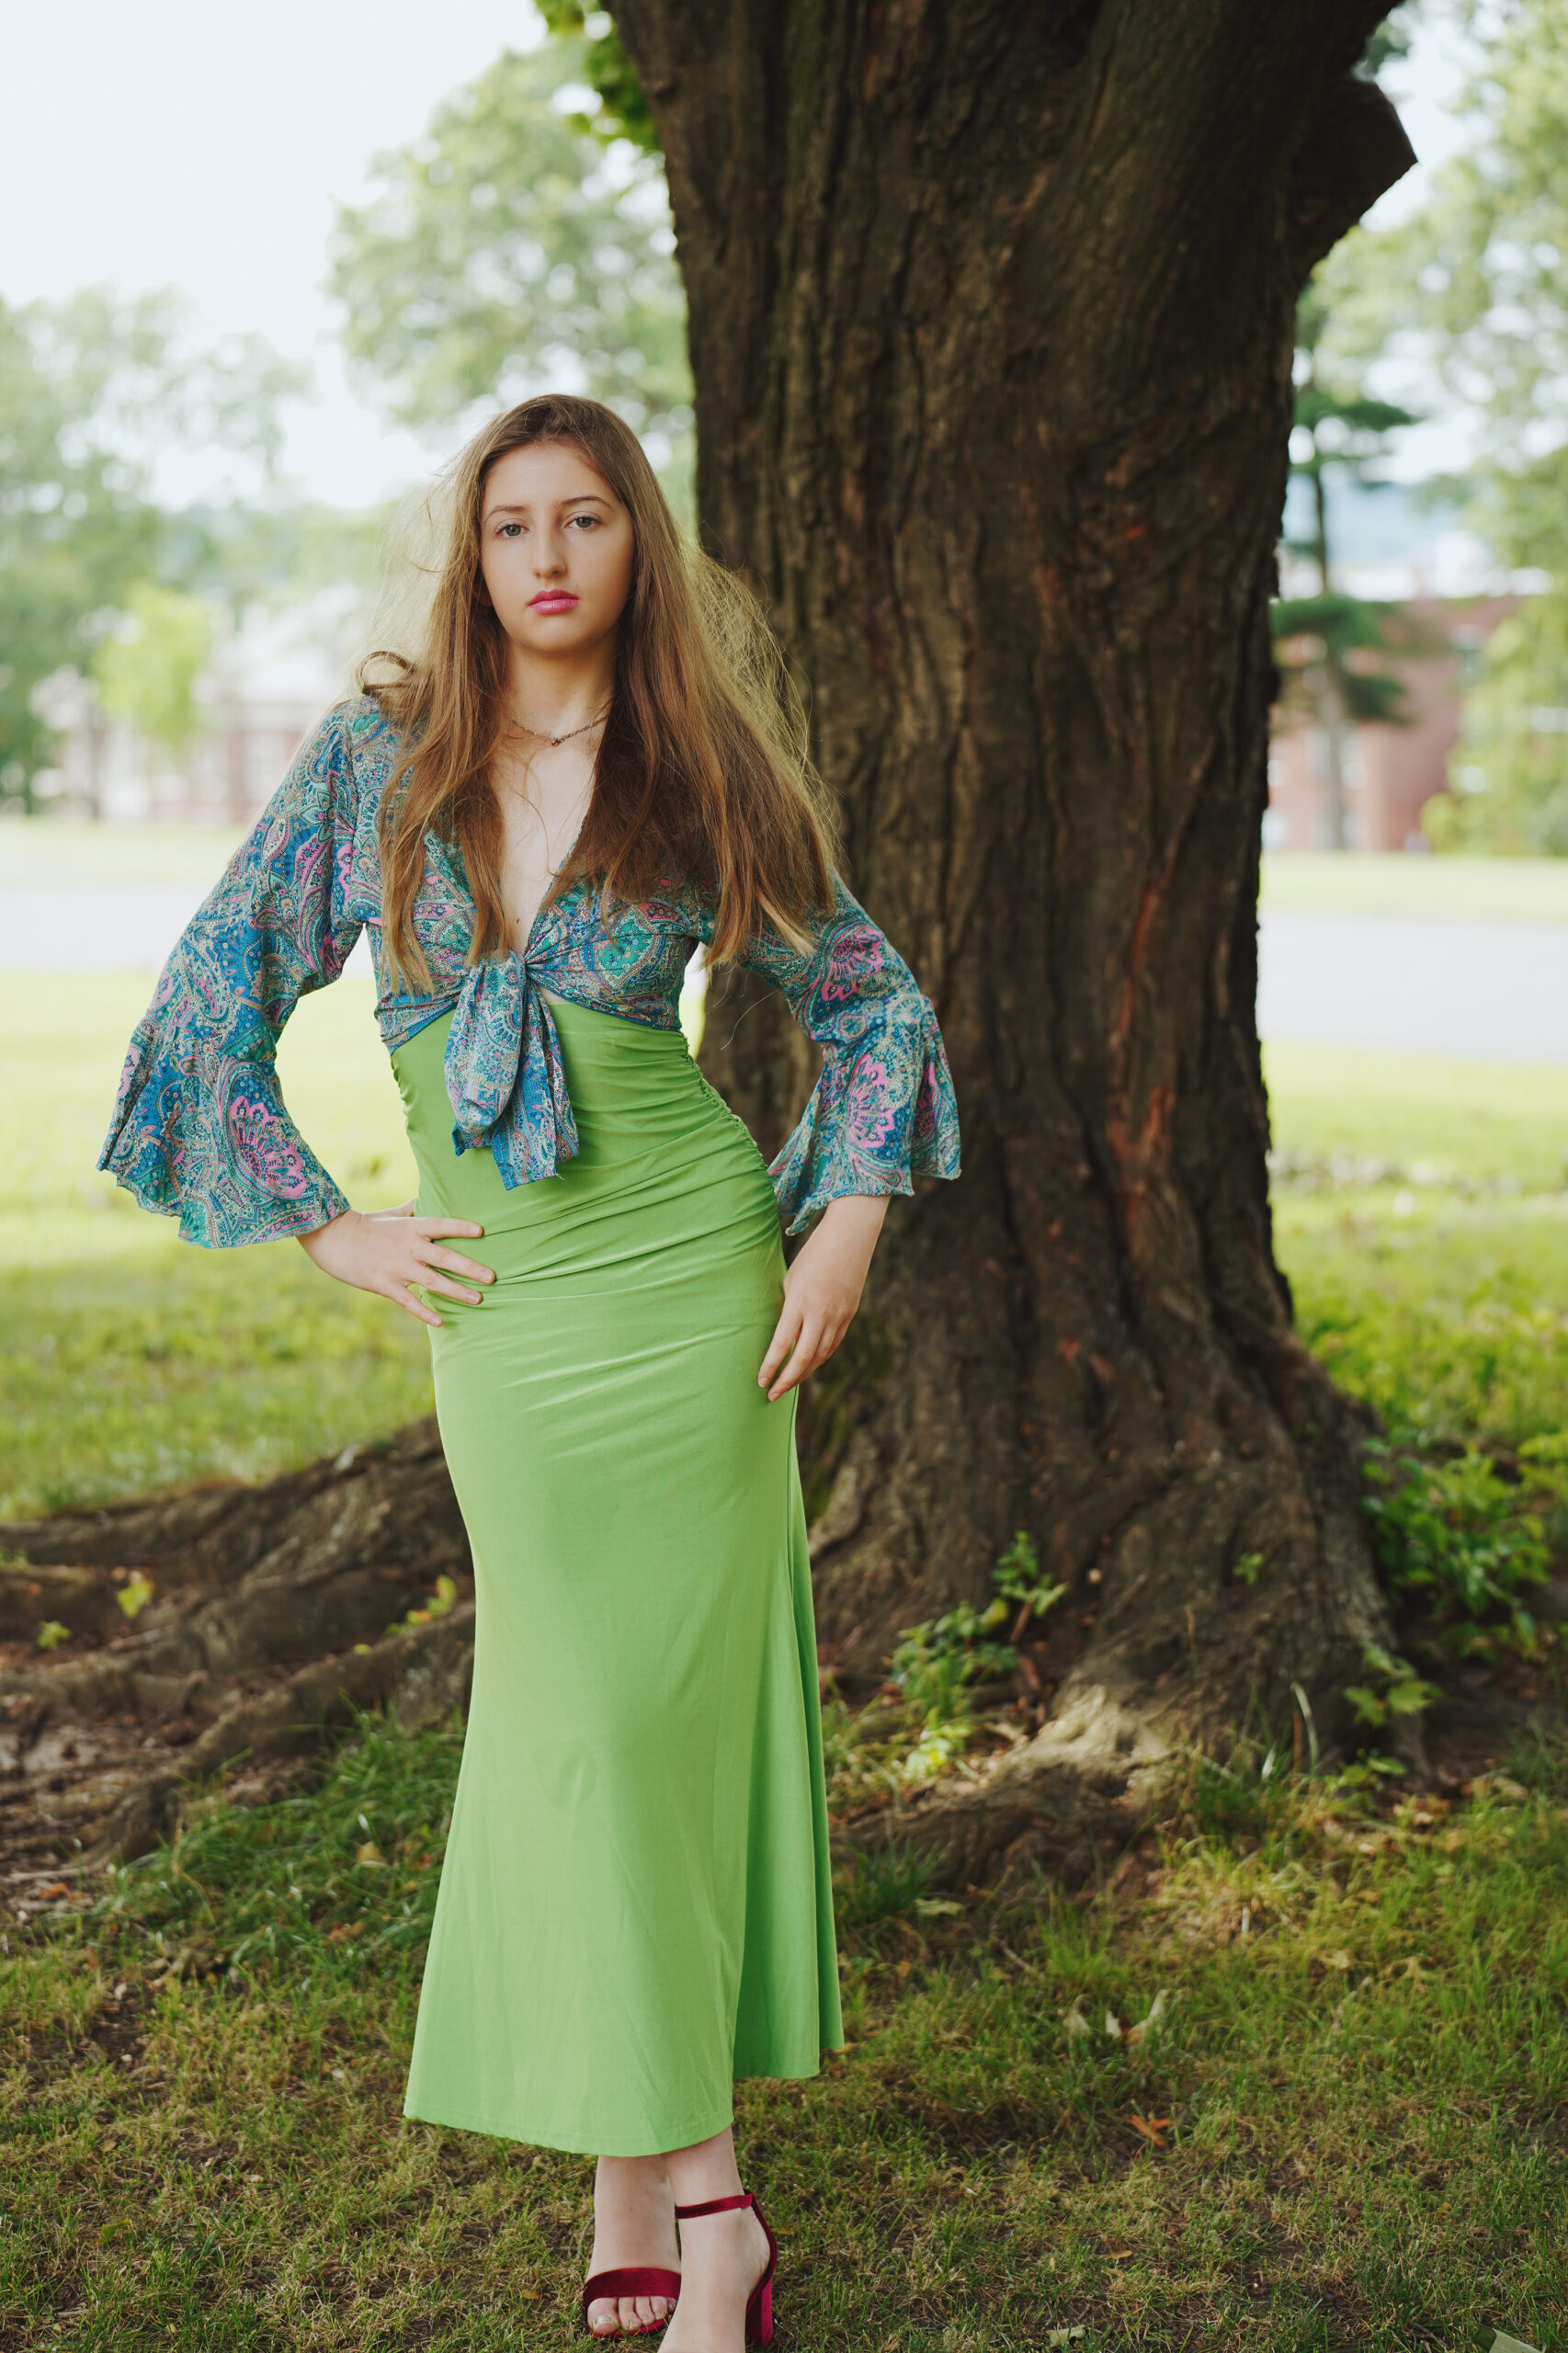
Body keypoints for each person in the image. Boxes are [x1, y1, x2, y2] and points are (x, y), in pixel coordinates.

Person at [98, 393, 960, 2349]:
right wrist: (328, 1223)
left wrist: (843, 1224)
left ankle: (655, 2189)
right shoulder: (378, 758)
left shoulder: (698, 763)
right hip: (508, 1308)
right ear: (473, 555)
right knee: (577, 1721)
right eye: (510, 524)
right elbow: (207, 1003)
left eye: (584, 518)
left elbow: (873, 1005)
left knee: (650, 1728)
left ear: (636, 543)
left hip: (691, 1289)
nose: (547, 555)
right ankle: (706, 2198)